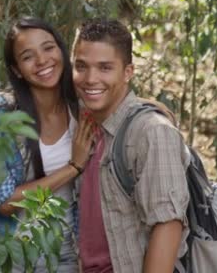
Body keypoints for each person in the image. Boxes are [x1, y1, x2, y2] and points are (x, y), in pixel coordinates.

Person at [0, 17, 94, 272]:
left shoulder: (81, 105)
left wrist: (154, 109)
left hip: (63, 251)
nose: (42, 61)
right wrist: (72, 167)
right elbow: (5, 202)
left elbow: (118, 96)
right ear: (16, 69)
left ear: (61, 49)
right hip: (5, 251)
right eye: (28, 57)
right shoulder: (1, 115)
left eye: (48, 48)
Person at [72, 18, 190, 273]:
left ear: (128, 72)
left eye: (105, 68)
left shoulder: (152, 132)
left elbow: (167, 225)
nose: (91, 78)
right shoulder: (87, 122)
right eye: (82, 66)